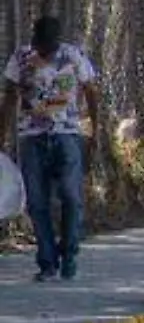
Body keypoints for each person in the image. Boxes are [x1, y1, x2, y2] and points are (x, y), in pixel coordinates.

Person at [2, 17, 103, 282]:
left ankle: (69, 251)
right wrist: (1, 136)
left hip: (67, 134)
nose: (43, 52)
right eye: (40, 46)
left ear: (57, 43)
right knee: (37, 202)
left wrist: (95, 127)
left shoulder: (73, 56)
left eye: (48, 47)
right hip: (32, 137)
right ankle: (47, 261)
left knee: (71, 196)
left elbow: (91, 90)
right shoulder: (21, 57)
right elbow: (10, 96)